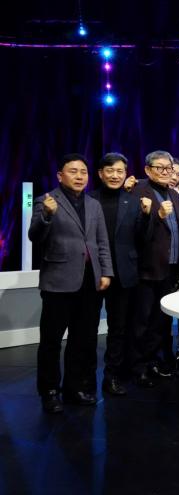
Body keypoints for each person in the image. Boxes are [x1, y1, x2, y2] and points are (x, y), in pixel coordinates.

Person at [29, 153, 113, 412]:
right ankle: (49, 392)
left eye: (83, 172)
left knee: (83, 339)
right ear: (60, 175)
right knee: (51, 341)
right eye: (73, 171)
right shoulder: (46, 201)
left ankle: (74, 388)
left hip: (90, 280)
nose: (79, 176)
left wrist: (106, 272)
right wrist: (46, 215)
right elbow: (35, 237)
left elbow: (101, 242)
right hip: (58, 280)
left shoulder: (93, 204)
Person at [90, 152, 143, 396]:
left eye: (120, 171)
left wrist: (147, 217)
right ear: (100, 173)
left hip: (123, 273)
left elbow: (141, 239)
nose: (115, 175)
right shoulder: (89, 200)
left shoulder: (133, 201)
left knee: (119, 329)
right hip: (92, 273)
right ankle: (85, 378)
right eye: (110, 170)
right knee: (86, 329)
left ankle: (112, 376)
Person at [131, 150, 179, 386]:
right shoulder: (136, 191)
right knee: (141, 321)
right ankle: (137, 366)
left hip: (170, 268)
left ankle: (152, 361)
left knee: (160, 322)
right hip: (146, 269)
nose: (165, 172)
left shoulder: (175, 195)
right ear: (147, 169)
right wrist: (158, 215)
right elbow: (135, 233)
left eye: (169, 168)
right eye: (159, 167)